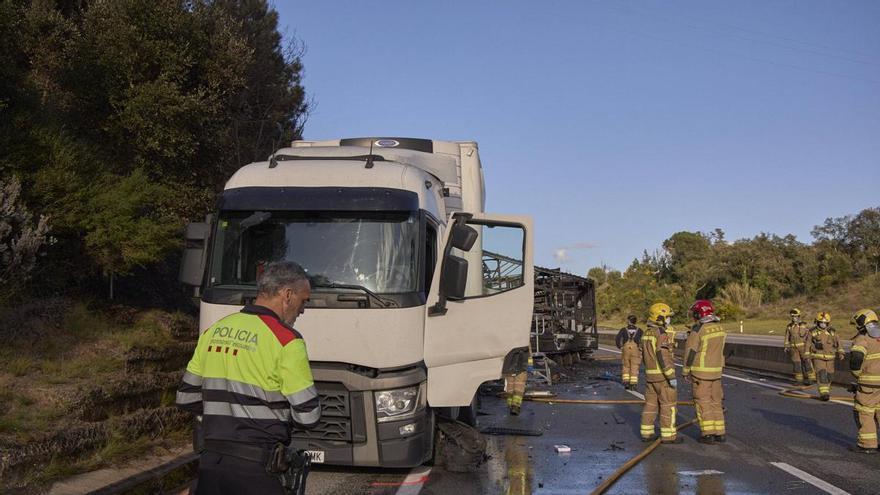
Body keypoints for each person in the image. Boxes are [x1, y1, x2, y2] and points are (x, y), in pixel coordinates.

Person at [176, 261, 321, 494]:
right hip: (257, 470)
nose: (303, 309)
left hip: (211, 465)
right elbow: (308, 415)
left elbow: (185, 398)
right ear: (287, 295)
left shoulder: (214, 331)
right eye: (303, 301)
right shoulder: (286, 340)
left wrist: (224, 414)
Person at [682, 299, 726, 444]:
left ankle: (708, 434)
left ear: (698, 314)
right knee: (716, 402)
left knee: (702, 402)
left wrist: (686, 370)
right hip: (717, 372)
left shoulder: (698, 330)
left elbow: (691, 352)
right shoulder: (720, 328)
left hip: (701, 373)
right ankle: (720, 432)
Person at [639, 303, 681, 443]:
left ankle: (647, 433)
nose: (669, 319)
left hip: (650, 377)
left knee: (650, 405)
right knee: (668, 406)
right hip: (663, 377)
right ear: (660, 317)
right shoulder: (661, 333)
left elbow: (643, 355)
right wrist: (671, 376)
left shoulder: (646, 333)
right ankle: (669, 436)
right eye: (667, 317)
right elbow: (663, 356)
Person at [849, 309, 880, 454]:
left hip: (868, 384)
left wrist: (858, 375)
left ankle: (867, 444)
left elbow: (856, 359)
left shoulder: (862, 339)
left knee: (865, 412)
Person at [808, 311, 844, 401]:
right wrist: (807, 354)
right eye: (821, 322)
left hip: (830, 358)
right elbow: (807, 344)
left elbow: (838, 343)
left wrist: (841, 353)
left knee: (830, 375)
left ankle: (826, 389)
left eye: (825, 323)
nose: (823, 324)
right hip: (818, 357)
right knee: (822, 374)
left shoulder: (832, 332)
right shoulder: (812, 332)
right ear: (817, 322)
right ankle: (824, 393)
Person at [784, 308, 815, 385]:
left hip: (803, 348)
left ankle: (811, 379)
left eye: (796, 316)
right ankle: (799, 380)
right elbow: (787, 337)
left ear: (799, 316)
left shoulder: (804, 325)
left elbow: (811, 334)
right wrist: (786, 346)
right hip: (793, 349)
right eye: (793, 317)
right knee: (796, 364)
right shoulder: (789, 327)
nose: (794, 318)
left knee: (807, 363)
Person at [615, 314, 643, 390]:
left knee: (626, 366)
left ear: (628, 321)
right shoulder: (639, 330)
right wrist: (641, 348)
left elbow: (617, 339)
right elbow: (643, 340)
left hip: (626, 349)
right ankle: (633, 384)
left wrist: (620, 347)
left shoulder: (623, 329)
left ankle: (626, 382)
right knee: (635, 366)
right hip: (635, 350)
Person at [502, 346, 530, 415]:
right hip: (522, 363)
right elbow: (530, 353)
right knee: (519, 384)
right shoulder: (524, 339)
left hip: (508, 363)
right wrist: (530, 366)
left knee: (510, 384)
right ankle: (515, 406)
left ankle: (510, 404)